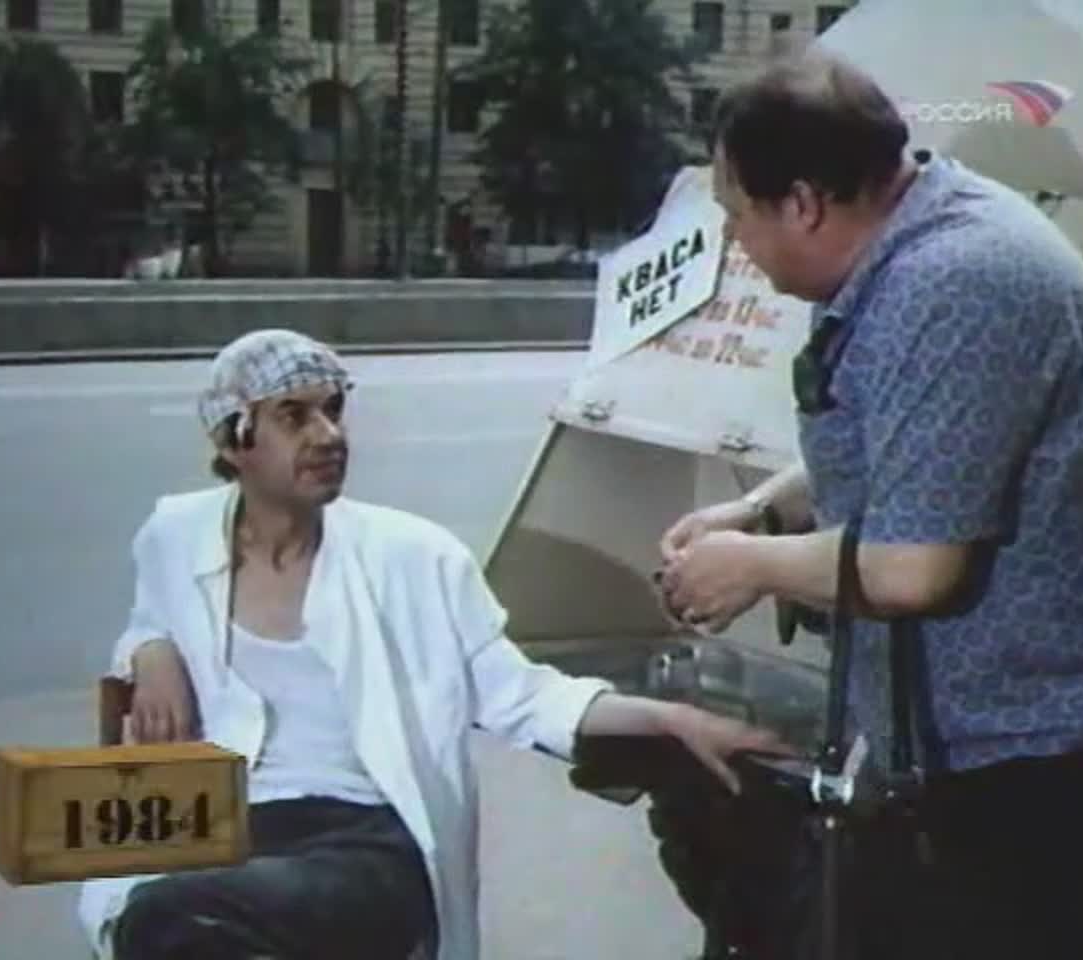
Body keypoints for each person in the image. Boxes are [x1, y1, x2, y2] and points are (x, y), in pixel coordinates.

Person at [655, 50, 1083, 959]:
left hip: (1063, 760)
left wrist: (750, 567)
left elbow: (914, 568)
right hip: (1004, 749)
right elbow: (921, 439)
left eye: (736, 213)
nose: (733, 240)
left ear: (804, 203)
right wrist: (766, 511)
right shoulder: (906, 244)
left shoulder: (955, 282)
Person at [77, 329, 787, 960]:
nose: (328, 435)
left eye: (333, 410)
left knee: (173, 916)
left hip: (362, 839)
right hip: (217, 823)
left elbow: (521, 695)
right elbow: (151, 615)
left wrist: (669, 718)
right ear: (234, 441)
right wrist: (149, 650)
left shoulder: (413, 557)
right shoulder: (176, 535)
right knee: (156, 914)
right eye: (294, 417)